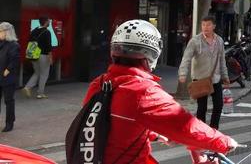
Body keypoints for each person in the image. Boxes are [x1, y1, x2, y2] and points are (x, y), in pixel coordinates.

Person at [82, 19, 237, 163]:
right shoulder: (143, 91)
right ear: (152, 54)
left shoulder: (99, 84)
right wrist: (224, 142)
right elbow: (184, 125)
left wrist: (153, 134)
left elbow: (115, 124)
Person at [178, 15, 229, 129]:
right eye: (203, 25)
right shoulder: (195, 41)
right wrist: (182, 73)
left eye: (208, 25)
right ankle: (201, 129)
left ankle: (214, 128)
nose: (205, 27)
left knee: (219, 105)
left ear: (214, 26)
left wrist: (225, 76)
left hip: (215, 79)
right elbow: (186, 58)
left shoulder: (219, 40)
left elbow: (222, 60)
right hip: (200, 79)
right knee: (202, 107)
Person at [23, 16, 53, 99]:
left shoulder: (34, 31)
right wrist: (50, 57)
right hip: (43, 55)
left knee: (37, 72)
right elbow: (48, 46)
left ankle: (27, 87)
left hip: (33, 55)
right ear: (46, 22)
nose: (49, 23)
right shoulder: (47, 32)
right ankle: (40, 93)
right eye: (49, 21)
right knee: (44, 74)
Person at [0, 22, 20, 132]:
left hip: (8, 78)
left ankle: (9, 123)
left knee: (9, 101)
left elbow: (15, 60)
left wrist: (6, 71)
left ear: (7, 32)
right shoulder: (0, 43)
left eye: (0, 31)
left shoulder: (14, 45)